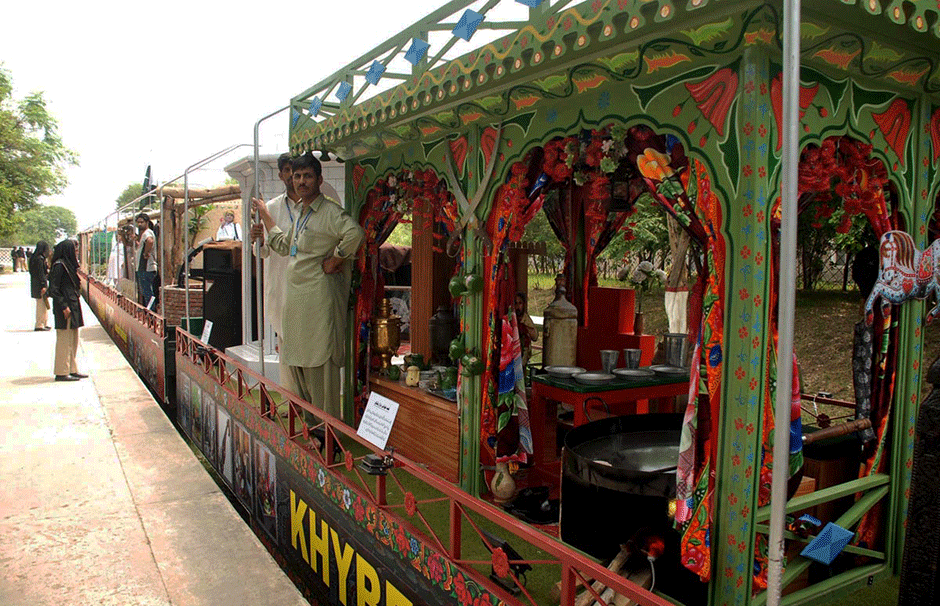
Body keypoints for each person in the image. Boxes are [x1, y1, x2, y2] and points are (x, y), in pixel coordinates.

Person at [251, 152, 364, 420]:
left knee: (320, 369)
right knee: (298, 366)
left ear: (319, 179)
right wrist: (266, 218)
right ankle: (311, 429)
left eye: (307, 176)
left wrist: (336, 259)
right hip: (297, 302)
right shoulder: (301, 211)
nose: (301, 181)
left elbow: (355, 234)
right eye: (298, 176)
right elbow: (281, 245)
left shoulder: (330, 211)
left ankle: (328, 438)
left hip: (318, 302)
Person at [252, 153, 299, 387]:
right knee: (287, 346)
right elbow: (262, 253)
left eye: (297, 170)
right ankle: (293, 401)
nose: (293, 176)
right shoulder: (271, 208)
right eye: (288, 170)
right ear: (281, 175)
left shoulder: (314, 205)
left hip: (310, 287)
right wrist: (258, 240)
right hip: (282, 287)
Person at [48, 239, 86, 381]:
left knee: (73, 339)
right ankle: (62, 371)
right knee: (64, 340)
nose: (76, 253)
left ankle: (72, 368)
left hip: (72, 305)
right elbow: (54, 289)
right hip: (65, 307)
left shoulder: (67, 265)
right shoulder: (59, 266)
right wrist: (63, 306)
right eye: (74, 250)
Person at [135, 212, 157, 307]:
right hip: (144, 268)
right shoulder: (145, 233)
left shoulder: (147, 233)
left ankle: (151, 312)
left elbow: (150, 241)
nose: (139, 224)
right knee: (146, 292)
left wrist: (146, 253)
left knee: (148, 292)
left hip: (146, 268)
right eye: (138, 222)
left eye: (142, 222)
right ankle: (150, 309)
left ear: (147, 222)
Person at [29, 241, 51, 331]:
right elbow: (41, 273)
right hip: (40, 285)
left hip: (36, 284)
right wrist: (43, 285)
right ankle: (39, 324)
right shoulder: (39, 259)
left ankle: (44, 322)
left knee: (43, 304)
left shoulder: (34, 258)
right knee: (41, 305)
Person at [514, 292, 539, 369]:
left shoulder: (525, 318)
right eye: (516, 303)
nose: (518, 306)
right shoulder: (510, 318)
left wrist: (524, 328)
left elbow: (535, 336)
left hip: (522, 358)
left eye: (520, 303)